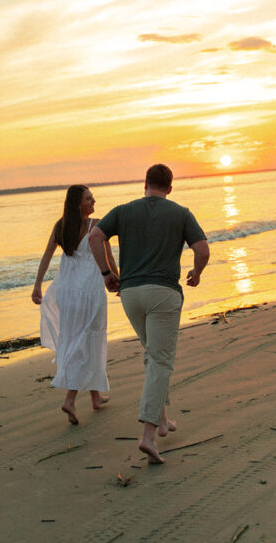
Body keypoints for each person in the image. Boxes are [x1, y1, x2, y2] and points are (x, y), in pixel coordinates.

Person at [89, 164, 209, 464]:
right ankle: (148, 435)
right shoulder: (181, 213)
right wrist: (196, 272)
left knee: (151, 354)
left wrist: (106, 272)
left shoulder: (124, 210)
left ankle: (164, 421)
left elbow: (95, 236)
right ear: (170, 188)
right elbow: (203, 249)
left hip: (130, 294)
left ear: (145, 184)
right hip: (163, 294)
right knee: (160, 361)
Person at [31, 185, 118, 425]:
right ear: (79, 203)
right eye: (89, 198)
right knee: (88, 340)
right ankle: (70, 399)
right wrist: (116, 279)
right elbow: (108, 258)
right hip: (89, 292)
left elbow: (46, 256)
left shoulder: (61, 226)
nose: (94, 201)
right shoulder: (96, 225)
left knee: (80, 338)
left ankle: (96, 396)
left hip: (67, 293)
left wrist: (37, 285)